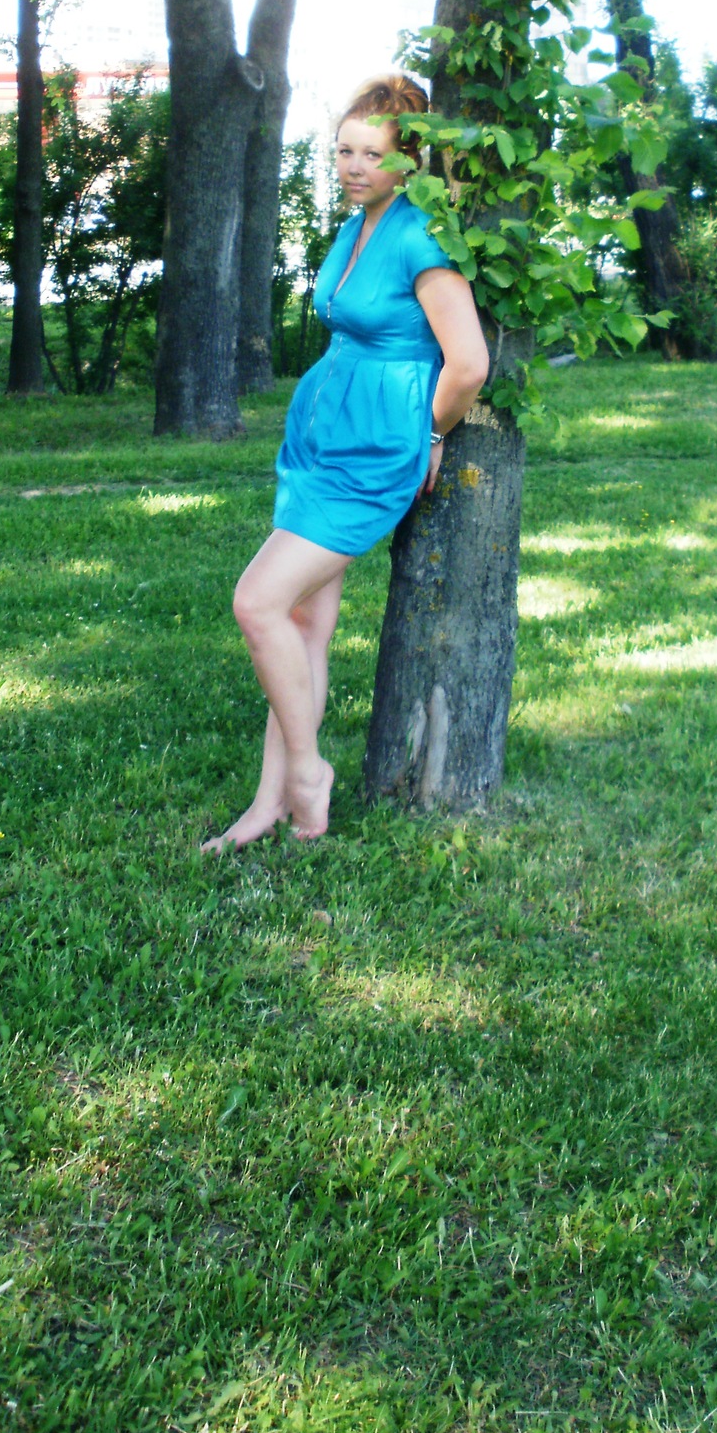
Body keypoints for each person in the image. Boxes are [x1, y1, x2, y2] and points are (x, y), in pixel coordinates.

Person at [202, 74, 489, 855]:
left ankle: (307, 772)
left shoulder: (422, 236)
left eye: (373, 154)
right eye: (344, 151)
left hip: (374, 449)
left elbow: (467, 364)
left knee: (258, 602)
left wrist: (428, 435)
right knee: (304, 624)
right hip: (320, 439)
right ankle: (271, 805)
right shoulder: (360, 223)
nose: (355, 167)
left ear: (409, 160)